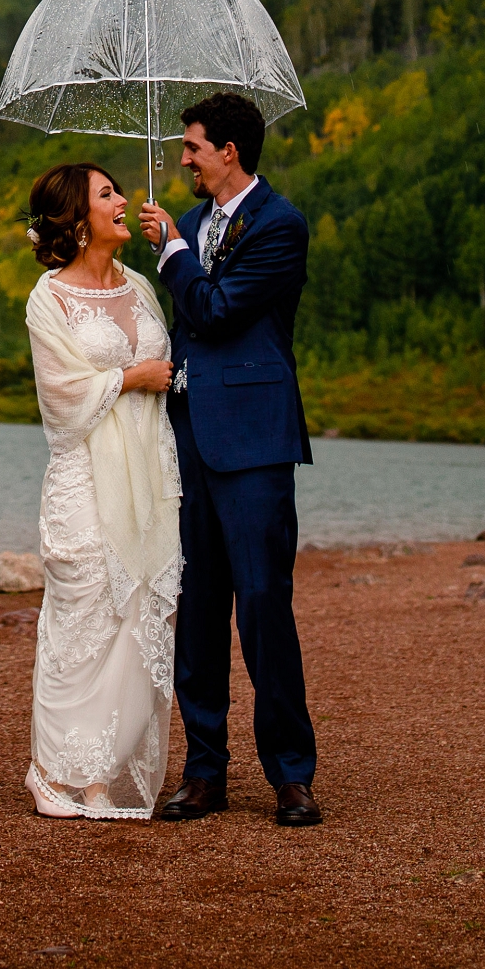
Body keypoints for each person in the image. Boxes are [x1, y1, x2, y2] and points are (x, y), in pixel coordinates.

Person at [137, 90, 321, 826]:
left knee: (266, 607)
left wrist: (173, 252)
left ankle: (291, 774)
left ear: (228, 152)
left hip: (255, 439)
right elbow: (184, 329)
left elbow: (214, 309)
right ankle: (204, 771)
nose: (182, 157)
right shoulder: (185, 223)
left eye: (191, 146)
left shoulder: (281, 224)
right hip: (189, 435)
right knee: (200, 610)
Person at [18, 160, 181, 817]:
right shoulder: (49, 296)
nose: (122, 200)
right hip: (84, 478)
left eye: (118, 189)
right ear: (78, 219)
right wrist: (129, 379)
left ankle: (97, 776)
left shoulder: (142, 285)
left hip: (148, 474)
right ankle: (50, 770)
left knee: (138, 617)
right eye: (107, 193)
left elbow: (167, 363)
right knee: (82, 619)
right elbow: (60, 397)